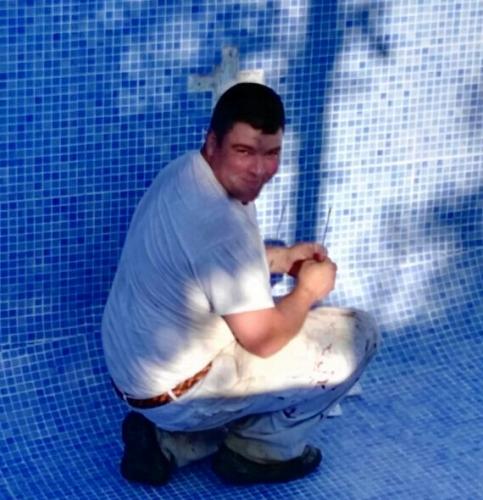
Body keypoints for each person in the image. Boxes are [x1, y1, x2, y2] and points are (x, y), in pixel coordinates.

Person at [102, 82, 379, 486]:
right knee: (358, 334)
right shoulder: (220, 225)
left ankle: (169, 444)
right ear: (213, 142)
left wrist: (281, 259)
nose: (259, 170)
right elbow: (263, 340)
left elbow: (209, 264)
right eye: (244, 151)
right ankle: (260, 453)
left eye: (272, 153)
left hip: (134, 374)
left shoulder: (187, 172)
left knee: (263, 344)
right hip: (180, 389)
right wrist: (307, 291)